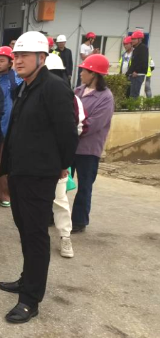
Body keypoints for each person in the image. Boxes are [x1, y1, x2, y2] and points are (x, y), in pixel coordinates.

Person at [0, 31, 78, 324]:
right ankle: (26, 278)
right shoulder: (25, 87)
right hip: (20, 172)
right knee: (25, 229)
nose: (17, 61)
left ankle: (30, 299)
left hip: (39, 175)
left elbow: (68, 133)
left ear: (41, 58)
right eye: (16, 56)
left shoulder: (54, 88)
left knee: (35, 235)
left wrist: (62, 165)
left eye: (24, 56)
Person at [45, 53, 86, 258]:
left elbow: (76, 129)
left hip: (57, 160)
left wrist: (64, 162)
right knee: (36, 201)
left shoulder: (72, 98)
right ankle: (37, 235)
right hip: (35, 158)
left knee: (59, 200)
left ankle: (65, 237)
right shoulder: (30, 93)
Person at [72, 54, 115, 233]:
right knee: (59, 184)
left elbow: (95, 123)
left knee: (84, 186)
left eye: (84, 70)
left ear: (94, 74)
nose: (81, 73)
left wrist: (71, 130)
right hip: (71, 146)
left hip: (88, 149)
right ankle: (54, 216)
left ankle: (79, 221)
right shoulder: (77, 91)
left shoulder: (105, 97)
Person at [0, 46, 22, 208]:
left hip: (6, 128)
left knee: (2, 165)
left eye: (2, 61)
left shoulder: (14, 80)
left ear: (10, 63)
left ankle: (3, 194)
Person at [128, 30, 149, 99]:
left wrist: (136, 71)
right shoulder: (136, 49)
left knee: (134, 95)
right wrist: (128, 73)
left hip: (138, 75)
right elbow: (134, 62)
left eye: (134, 39)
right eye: (132, 39)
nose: (132, 41)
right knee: (131, 94)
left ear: (140, 39)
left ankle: (133, 105)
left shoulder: (143, 48)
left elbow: (143, 61)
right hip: (134, 74)